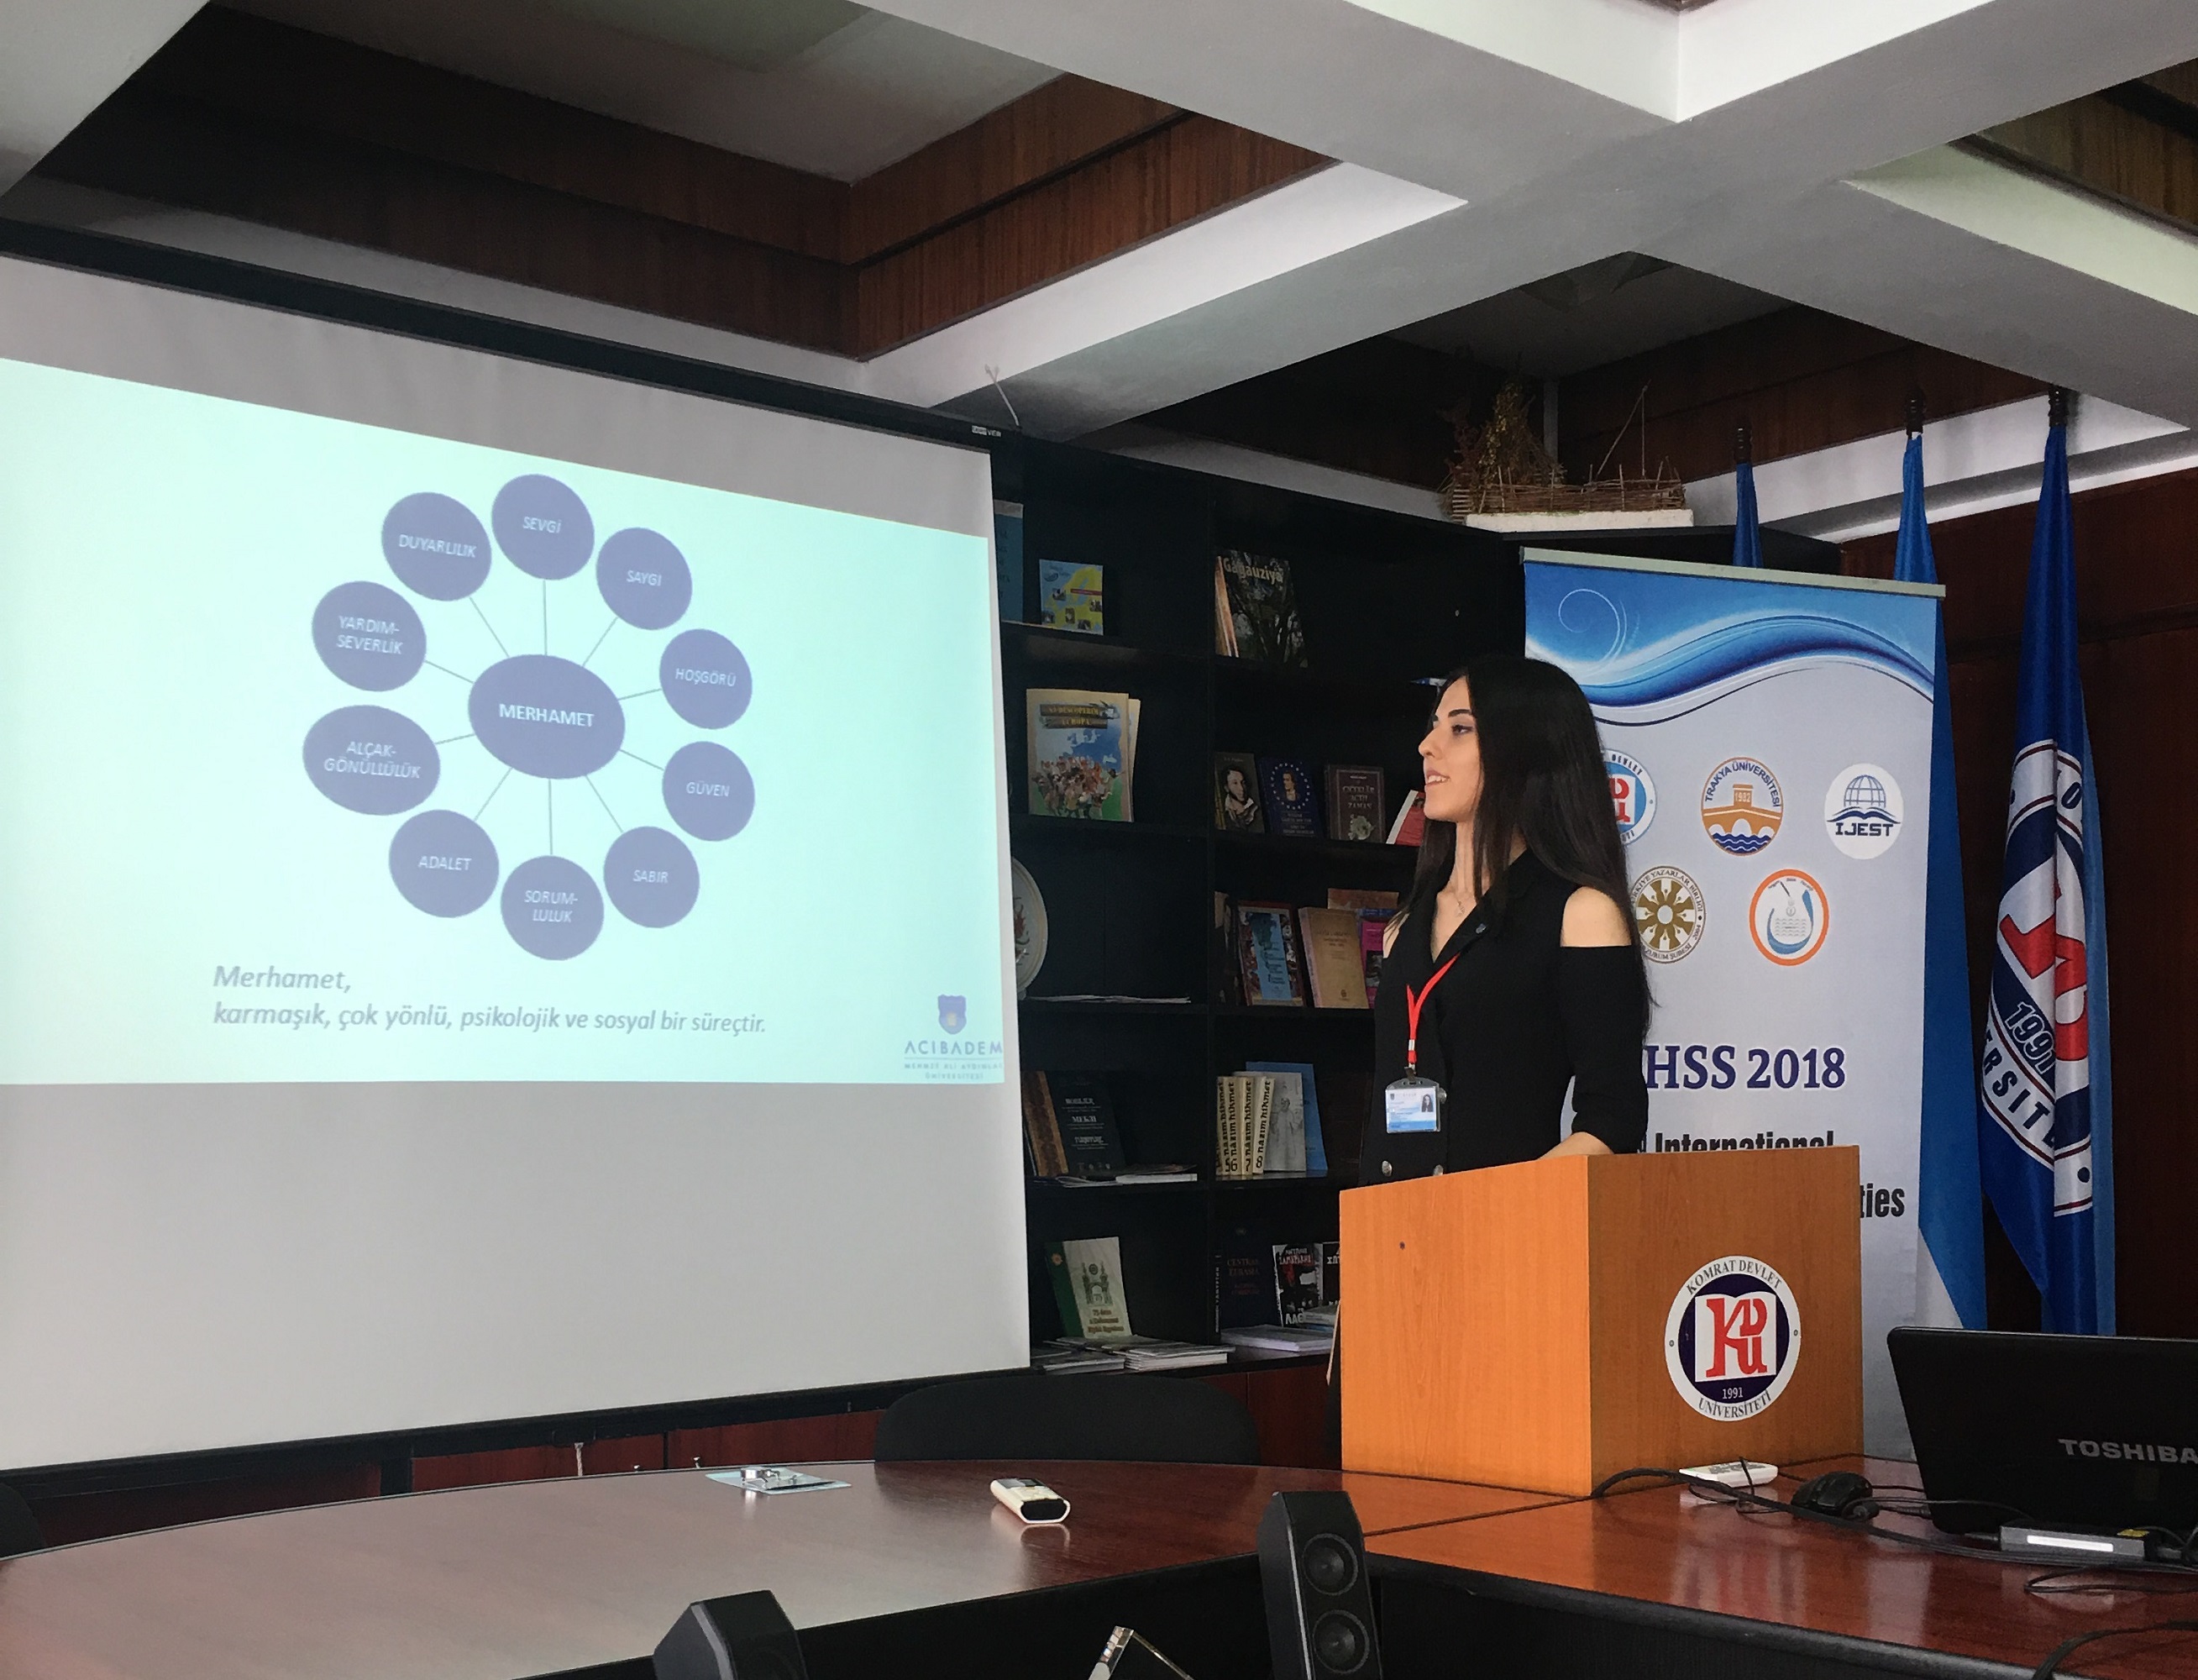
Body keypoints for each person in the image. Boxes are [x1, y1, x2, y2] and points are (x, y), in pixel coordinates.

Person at [1360, 654, 1648, 1182]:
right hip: (1390, 1221)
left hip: (1507, 1223)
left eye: (1460, 728)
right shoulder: (1403, 928)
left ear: (1524, 749)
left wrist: (1500, 1205)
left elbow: (1613, 1118)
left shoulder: (1581, 914)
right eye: (1434, 725)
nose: (1427, 746)